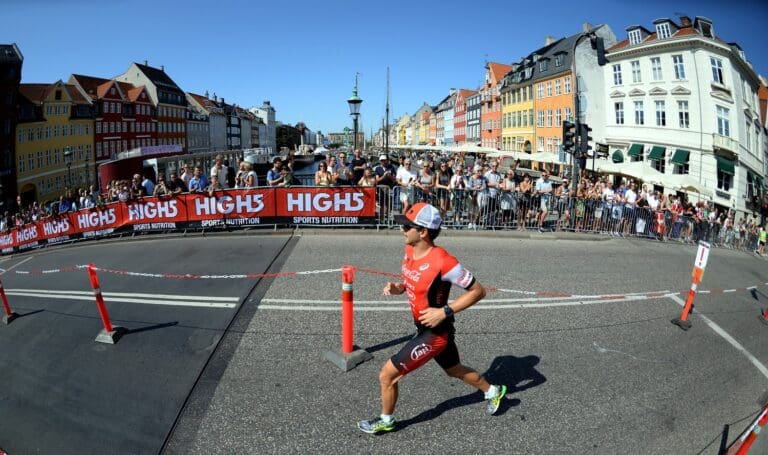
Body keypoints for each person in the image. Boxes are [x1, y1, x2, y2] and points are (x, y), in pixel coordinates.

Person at [357, 202, 507, 434]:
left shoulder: (444, 261)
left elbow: (479, 291)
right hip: (424, 327)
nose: (402, 230)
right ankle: (493, 391)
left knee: (387, 374)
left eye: (408, 226)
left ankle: (386, 420)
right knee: (454, 370)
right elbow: (417, 282)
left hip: (436, 333)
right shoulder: (410, 250)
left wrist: (444, 311)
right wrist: (399, 287)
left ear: (423, 232)